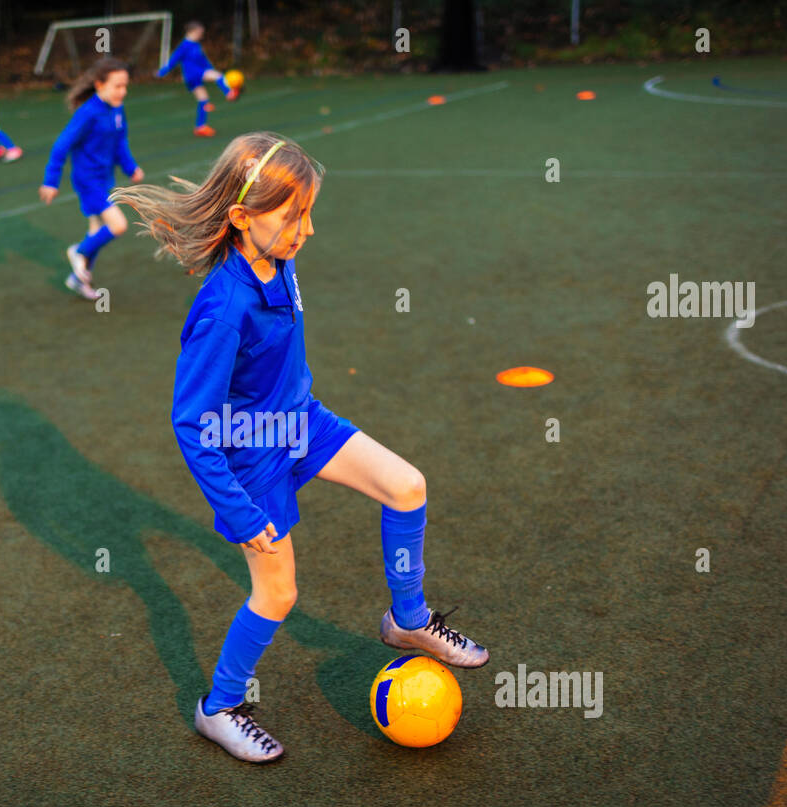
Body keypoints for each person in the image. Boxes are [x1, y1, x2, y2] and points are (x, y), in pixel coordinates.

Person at [111, 133, 489, 763]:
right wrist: (236, 509)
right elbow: (191, 422)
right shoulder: (224, 309)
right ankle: (219, 708)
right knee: (278, 594)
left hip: (302, 423)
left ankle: (409, 619)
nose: (307, 231)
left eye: (309, 213)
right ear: (241, 218)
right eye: (293, 217)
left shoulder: (277, 259)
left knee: (407, 485)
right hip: (253, 451)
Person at [41, 58, 143, 301]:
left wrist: (130, 167)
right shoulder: (88, 113)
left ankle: (78, 279)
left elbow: (120, 142)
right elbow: (61, 145)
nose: (123, 91)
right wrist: (51, 180)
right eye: (117, 86)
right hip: (88, 180)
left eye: (125, 85)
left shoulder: (117, 109)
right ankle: (78, 251)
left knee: (97, 229)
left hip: (105, 177)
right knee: (118, 225)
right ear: (99, 85)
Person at [156, 21, 239, 137]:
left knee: (203, 99)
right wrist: (163, 71)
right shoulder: (185, 45)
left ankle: (200, 127)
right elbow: (174, 59)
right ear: (192, 32)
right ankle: (229, 93)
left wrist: (210, 68)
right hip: (193, 73)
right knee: (218, 76)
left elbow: (203, 60)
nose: (202, 35)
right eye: (200, 32)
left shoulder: (196, 45)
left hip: (196, 74)